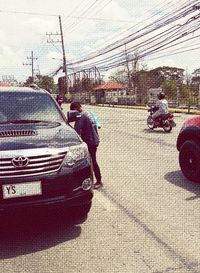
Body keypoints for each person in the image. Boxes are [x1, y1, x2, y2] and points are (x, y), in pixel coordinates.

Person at [70, 102, 103, 189]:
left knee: (90, 162)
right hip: (94, 140)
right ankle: (95, 180)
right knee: (92, 161)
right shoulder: (89, 113)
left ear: (75, 110)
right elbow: (97, 125)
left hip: (90, 142)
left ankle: (98, 181)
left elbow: (76, 131)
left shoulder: (81, 117)